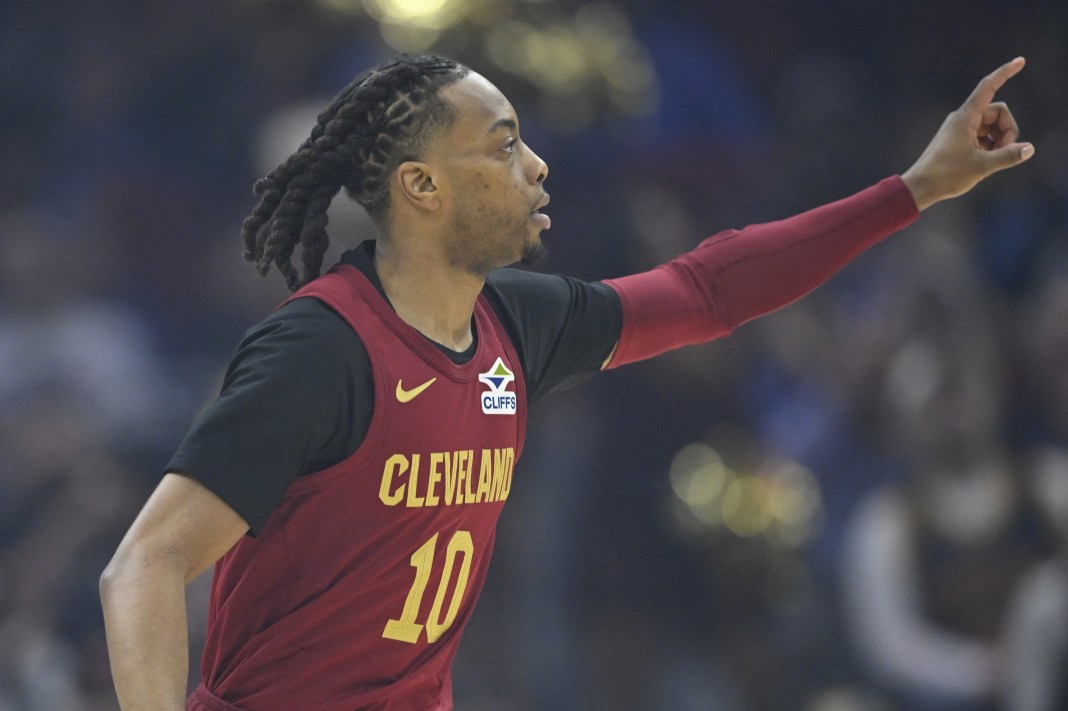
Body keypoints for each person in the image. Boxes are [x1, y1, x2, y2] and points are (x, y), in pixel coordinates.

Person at [99, 53, 1034, 710]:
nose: (537, 165)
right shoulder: (320, 352)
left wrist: (914, 190)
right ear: (422, 187)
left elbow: (710, 288)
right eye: (503, 146)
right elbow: (141, 566)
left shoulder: (516, 323)